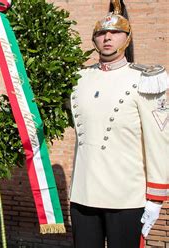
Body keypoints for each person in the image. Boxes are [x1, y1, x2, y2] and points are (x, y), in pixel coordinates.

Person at [69, 1, 168, 247]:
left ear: (127, 37)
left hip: (126, 196)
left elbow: (158, 141)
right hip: (83, 193)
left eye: (115, 33)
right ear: (94, 40)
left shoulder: (145, 80)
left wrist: (155, 198)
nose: (108, 38)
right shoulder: (78, 79)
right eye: (101, 33)